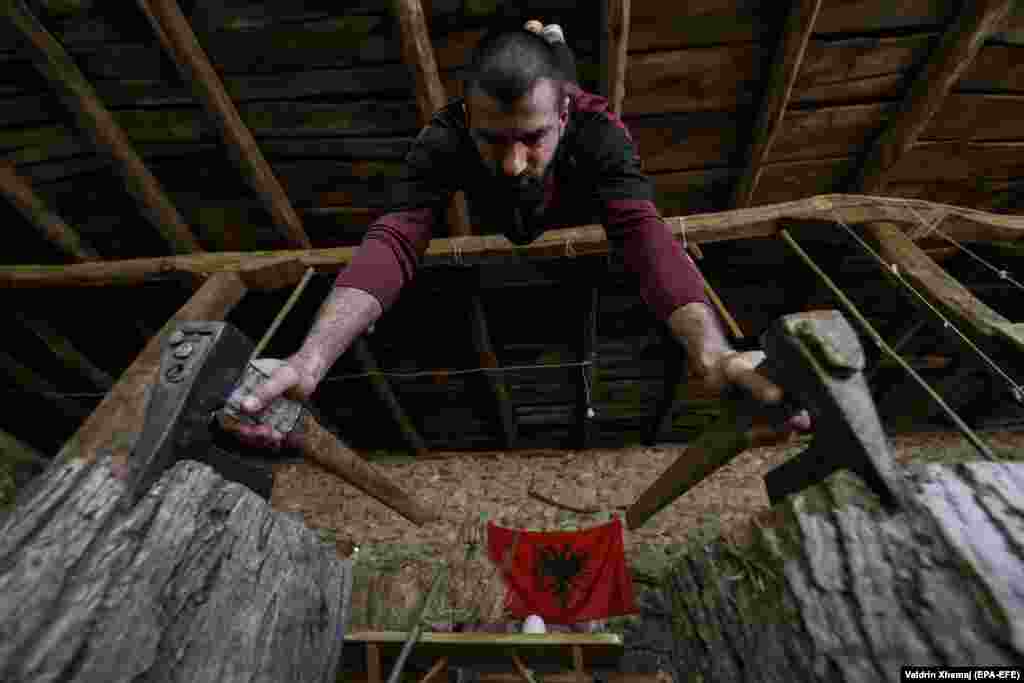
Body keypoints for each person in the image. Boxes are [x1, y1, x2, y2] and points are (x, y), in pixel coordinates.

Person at [229, 20, 811, 450]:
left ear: (562, 118)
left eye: (530, 137)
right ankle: (546, 41)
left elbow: (643, 238)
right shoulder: (444, 138)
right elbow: (396, 240)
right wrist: (311, 359)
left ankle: (555, 43)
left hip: (570, 190)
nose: (511, 163)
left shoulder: (598, 131)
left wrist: (713, 354)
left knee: (570, 118)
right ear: (466, 116)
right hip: (506, 212)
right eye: (492, 139)